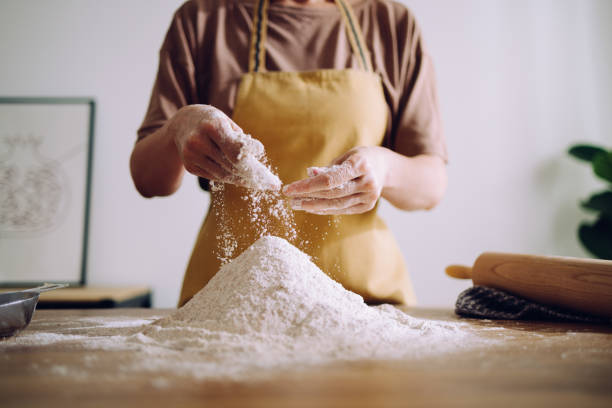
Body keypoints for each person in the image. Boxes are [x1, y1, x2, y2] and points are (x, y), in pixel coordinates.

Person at [130, 0, 448, 306]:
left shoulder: (390, 23)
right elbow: (148, 181)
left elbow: (431, 185)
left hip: (365, 301)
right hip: (230, 301)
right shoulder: (202, 19)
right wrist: (178, 128)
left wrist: (383, 169)